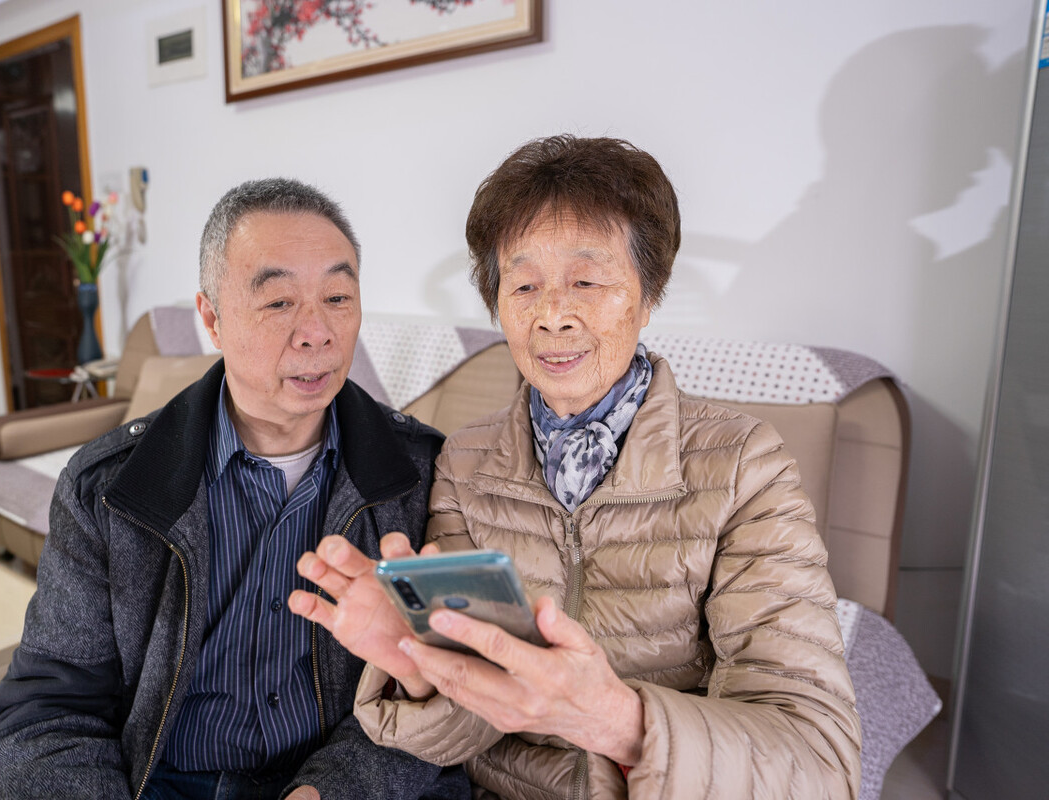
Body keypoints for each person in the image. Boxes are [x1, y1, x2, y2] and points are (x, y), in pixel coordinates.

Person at [288, 136, 862, 798]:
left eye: (587, 281)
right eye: (524, 284)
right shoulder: (466, 463)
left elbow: (818, 763)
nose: (553, 315)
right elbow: (467, 725)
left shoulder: (743, 465)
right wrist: (420, 667)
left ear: (648, 295)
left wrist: (617, 722)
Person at [0, 178, 469, 800]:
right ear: (211, 317)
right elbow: (51, 707)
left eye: (338, 297)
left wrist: (330, 791)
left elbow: (441, 692)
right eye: (277, 303)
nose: (316, 332)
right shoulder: (108, 488)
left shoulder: (423, 474)